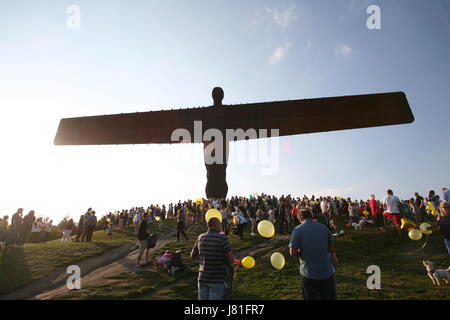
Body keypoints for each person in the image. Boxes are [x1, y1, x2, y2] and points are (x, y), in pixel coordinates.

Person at [289, 208, 338, 300]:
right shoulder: (324, 228)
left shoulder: (297, 230)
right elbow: (331, 249)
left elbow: (293, 252)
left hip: (308, 273)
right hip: (327, 272)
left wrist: (302, 254)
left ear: (300, 218)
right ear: (311, 216)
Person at [191, 217, 235, 300]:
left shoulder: (200, 237)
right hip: (217, 278)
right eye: (220, 224)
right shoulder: (222, 239)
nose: (221, 226)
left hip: (202, 277)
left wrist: (204, 258)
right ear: (215, 225)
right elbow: (231, 259)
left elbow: (192, 255)